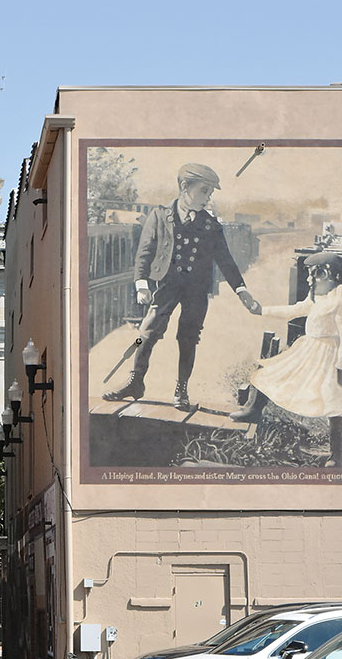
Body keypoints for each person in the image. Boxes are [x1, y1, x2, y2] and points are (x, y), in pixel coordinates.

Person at [103, 163, 257, 410]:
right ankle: (136, 382)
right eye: (204, 191)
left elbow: (226, 260)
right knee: (147, 332)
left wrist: (241, 290)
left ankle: (181, 389)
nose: (208, 198)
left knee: (188, 338)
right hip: (166, 285)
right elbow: (145, 252)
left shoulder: (210, 225)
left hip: (196, 290)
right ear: (184, 187)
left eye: (210, 194)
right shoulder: (160, 216)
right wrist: (142, 284)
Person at [230, 251, 342, 466]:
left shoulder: (339, 298)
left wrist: (340, 366)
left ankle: (338, 455)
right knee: (271, 371)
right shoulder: (317, 297)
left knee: (335, 402)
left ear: (330, 276)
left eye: (314, 275)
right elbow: (295, 310)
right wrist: (260, 310)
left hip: (330, 355)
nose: (309, 280)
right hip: (309, 349)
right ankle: (253, 411)